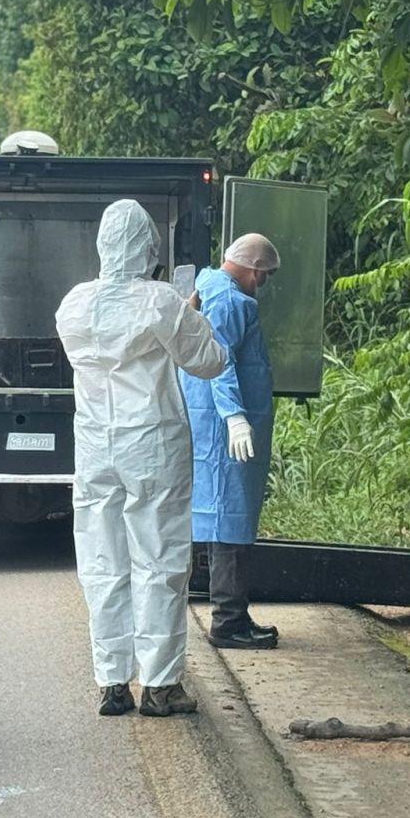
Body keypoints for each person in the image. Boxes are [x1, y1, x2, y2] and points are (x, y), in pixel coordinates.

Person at [55, 200, 228, 717]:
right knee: (159, 561)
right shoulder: (161, 301)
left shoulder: (73, 304)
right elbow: (210, 361)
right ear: (150, 248)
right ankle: (160, 684)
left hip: (94, 444)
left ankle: (112, 682)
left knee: (102, 561)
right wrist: (190, 313)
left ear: (103, 245)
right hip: (151, 443)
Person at [182, 233, 282, 650]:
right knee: (230, 521)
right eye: (265, 275)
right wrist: (236, 417)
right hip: (225, 428)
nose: (263, 283)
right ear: (254, 269)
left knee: (219, 516)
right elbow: (221, 364)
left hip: (211, 425)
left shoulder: (208, 288)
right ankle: (229, 621)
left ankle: (231, 615)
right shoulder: (230, 301)